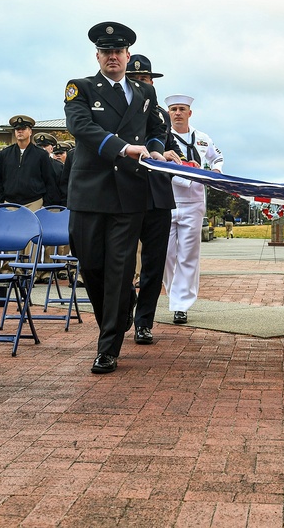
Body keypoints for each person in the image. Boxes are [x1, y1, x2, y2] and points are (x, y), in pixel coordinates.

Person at [64, 21, 174, 374]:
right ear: (97, 56)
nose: (112, 56)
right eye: (106, 51)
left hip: (130, 191)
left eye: (118, 51)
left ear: (128, 55)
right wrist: (124, 148)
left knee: (119, 267)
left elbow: (157, 128)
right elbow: (81, 127)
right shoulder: (80, 88)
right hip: (90, 192)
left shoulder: (144, 93)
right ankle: (125, 301)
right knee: (91, 265)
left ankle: (108, 347)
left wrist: (153, 148)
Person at [123, 53, 180, 346]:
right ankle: (125, 307)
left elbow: (169, 146)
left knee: (154, 264)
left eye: (145, 79)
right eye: (134, 79)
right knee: (121, 261)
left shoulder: (160, 115)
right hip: (125, 194)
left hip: (157, 195)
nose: (141, 83)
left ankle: (144, 322)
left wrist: (174, 156)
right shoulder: (117, 111)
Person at [163, 93, 224, 325]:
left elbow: (217, 157)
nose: (177, 113)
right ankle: (174, 293)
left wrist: (216, 171)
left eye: (182, 109)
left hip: (194, 201)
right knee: (167, 255)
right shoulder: (163, 137)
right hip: (169, 199)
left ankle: (181, 305)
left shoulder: (202, 138)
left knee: (188, 255)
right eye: (173, 109)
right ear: (168, 113)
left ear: (190, 113)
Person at [0, 115, 59, 210]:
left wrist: (46, 203)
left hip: (34, 203)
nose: (20, 131)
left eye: (23, 129)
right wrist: (2, 198)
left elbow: (49, 180)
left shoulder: (41, 154)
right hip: (10, 203)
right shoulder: (5, 153)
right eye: (17, 129)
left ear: (30, 131)